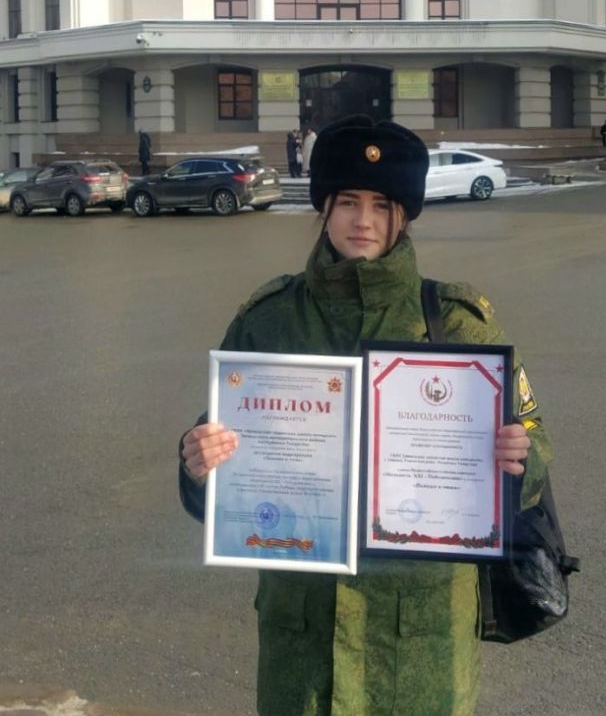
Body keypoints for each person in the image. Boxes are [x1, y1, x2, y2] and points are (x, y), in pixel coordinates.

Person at [179, 115, 552, 716]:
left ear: (404, 215)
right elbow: (223, 458)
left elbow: (534, 451)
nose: (363, 220)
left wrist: (518, 459)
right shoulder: (269, 320)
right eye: (348, 201)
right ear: (324, 208)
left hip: (421, 639)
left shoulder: (457, 325)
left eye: (382, 205)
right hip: (302, 637)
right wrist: (199, 463)